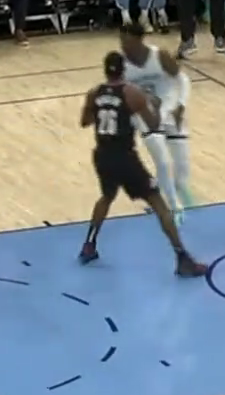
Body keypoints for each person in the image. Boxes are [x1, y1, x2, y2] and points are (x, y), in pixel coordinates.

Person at [78, 51, 207, 275]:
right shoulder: (131, 93)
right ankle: (182, 258)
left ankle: (89, 244)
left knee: (106, 196)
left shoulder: (94, 93)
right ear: (123, 70)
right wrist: (152, 103)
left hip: (102, 155)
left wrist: (100, 111)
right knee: (158, 202)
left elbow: (84, 122)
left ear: (105, 70)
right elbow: (153, 124)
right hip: (125, 157)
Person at [120, 21, 195, 220]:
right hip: (145, 115)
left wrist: (181, 105)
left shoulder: (159, 55)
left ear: (139, 39)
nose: (123, 45)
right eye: (121, 40)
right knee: (162, 161)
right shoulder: (120, 64)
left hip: (169, 109)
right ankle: (172, 206)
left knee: (181, 167)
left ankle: (170, 194)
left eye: (127, 40)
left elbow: (183, 79)